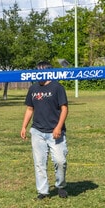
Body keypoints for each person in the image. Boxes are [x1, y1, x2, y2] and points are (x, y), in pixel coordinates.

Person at [20, 60, 69, 200]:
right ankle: (43, 191)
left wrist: (58, 127)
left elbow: (64, 109)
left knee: (60, 161)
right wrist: (24, 126)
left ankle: (61, 186)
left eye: (41, 70)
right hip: (37, 132)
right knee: (39, 162)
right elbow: (30, 109)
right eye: (37, 71)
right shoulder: (33, 89)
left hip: (55, 132)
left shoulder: (57, 87)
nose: (38, 74)